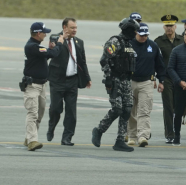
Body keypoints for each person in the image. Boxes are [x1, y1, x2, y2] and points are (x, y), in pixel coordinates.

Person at [91, 18, 139, 152]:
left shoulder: (129, 44)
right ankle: (99, 130)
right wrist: (108, 78)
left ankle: (119, 140)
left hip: (126, 81)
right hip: (115, 79)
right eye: (134, 31)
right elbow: (104, 60)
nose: (136, 33)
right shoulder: (115, 41)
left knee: (127, 109)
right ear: (128, 30)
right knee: (117, 109)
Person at [47, 18, 91, 146]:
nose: (75, 30)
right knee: (55, 109)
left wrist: (87, 78)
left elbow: (82, 61)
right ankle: (51, 127)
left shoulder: (79, 42)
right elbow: (54, 52)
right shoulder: (55, 38)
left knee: (71, 111)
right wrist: (62, 40)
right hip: (57, 80)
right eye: (72, 28)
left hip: (72, 80)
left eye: (76, 28)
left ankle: (67, 137)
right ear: (64, 27)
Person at [22, 22, 64, 151]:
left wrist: (49, 49)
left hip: (41, 85)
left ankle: (29, 138)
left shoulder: (37, 47)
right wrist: (59, 44)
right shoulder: (32, 46)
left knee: (39, 114)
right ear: (38, 33)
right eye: (44, 32)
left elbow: (43, 58)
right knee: (32, 113)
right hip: (32, 85)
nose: (46, 35)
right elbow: (52, 54)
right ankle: (32, 141)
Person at [127, 23, 166, 147]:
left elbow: (160, 65)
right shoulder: (129, 45)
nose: (144, 37)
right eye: (141, 35)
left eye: (146, 35)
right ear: (136, 34)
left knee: (144, 110)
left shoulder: (153, 46)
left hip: (146, 83)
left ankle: (143, 136)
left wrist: (161, 81)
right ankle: (132, 136)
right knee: (130, 110)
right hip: (131, 81)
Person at [154, 15, 183, 144]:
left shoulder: (182, 40)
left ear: (175, 26)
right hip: (166, 78)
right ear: (163, 27)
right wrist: (155, 78)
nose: (169, 28)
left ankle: (177, 131)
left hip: (181, 78)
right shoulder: (158, 42)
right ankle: (170, 134)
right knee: (168, 107)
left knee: (179, 107)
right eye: (167, 26)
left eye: (171, 26)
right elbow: (154, 61)